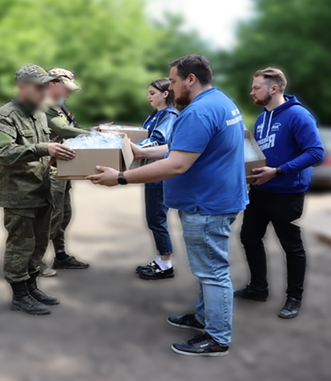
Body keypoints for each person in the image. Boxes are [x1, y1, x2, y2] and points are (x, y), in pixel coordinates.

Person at [88, 55, 248, 357]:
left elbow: (176, 164)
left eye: (173, 81)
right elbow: (182, 148)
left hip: (206, 205)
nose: (170, 88)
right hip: (218, 198)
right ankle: (204, 317)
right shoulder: (220, 101)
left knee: (213, 271)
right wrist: (142, 152)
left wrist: (121, 177)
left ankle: (217, 337)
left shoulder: (197, 112)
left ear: (190, 79)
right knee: (207, 268)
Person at [234, 67, 323, 319]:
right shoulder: (262, 118)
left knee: (291, 247)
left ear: (273, 88)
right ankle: (258, 288)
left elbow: (315, 153)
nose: (251, 92)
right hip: (260, 191)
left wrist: (279, 171)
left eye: (256, 88)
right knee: (249, 238)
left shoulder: (298, 115)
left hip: (288, 193)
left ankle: (294, 298)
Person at [0, 64, 75, 316]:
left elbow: (44, 151)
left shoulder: (38, 113)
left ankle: (32, 287)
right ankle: (19, 295)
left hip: (42, 188)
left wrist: (58, 158)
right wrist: (44, 149)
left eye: (46, 85)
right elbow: (4, 153)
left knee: (37, 244)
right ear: (22, 86)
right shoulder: (6, 115)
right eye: (38, 86)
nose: (44, 90)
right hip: (20, 193)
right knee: (21, 244)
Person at [40, 68, 91, 276]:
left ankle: (60, 255)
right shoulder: (44, 104)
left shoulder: (60, 105)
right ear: (53, 83)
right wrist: (95, 134)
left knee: (63, 214)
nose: (69, 92)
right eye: (66, 88)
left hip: (62, 165)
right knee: (50, 215)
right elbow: (63, 130)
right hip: (50, 167)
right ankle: (35, 261)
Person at [134, 78, 179, 280]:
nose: (148, 96)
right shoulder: (157, 114)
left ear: (165, 94)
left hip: (159, 173)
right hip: (152, 171)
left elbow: (157, 140)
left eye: (152, 93)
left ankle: (166, 264)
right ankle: (161, 259)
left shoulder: (169, 115)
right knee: (154, 217)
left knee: (157, 218)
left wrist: (130, 146)